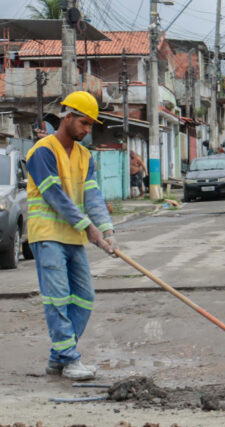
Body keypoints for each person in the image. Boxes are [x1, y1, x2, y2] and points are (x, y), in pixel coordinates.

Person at [26, 91, 117, 381]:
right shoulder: (42, 151)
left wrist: (107, 230)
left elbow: (92, 196)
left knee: (85, 297)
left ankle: (57, 357)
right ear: (69, 117)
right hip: (48, 235)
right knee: (57, 298)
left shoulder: (84, 156)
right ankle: (69, 358)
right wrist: (87, 226)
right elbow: (55, 196)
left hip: (74, 238)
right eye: (84, 123)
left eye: (91, 125)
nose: (88, 130)